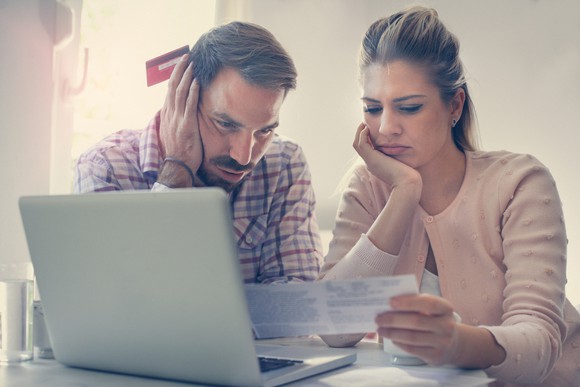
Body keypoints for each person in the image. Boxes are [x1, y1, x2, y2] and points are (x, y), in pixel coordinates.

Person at [318, 6, 580, 386]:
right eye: (372, 109)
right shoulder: (369, 187)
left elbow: (539, 342)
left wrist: (456, 344)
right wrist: (404, 193)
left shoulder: (521, 182)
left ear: (454, 106)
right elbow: (331, 327)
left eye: (409, 107)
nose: (386, 127)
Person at [74, 21, 323, 284]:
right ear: (181, 102)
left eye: (264, 131)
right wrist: (176, 173)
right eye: (226, 124)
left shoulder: (284, 163)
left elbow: (295, 307)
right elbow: (115, 304)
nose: (243, 156)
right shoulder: (105, 168)